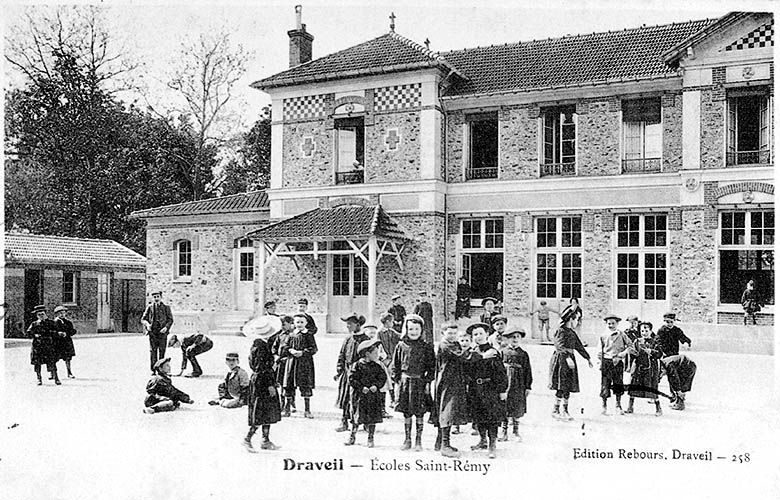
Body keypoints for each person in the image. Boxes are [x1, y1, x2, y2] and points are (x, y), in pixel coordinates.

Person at [433, 322, 496, 457]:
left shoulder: (454, 344)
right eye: (449, 333)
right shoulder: (445, 345)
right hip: (447, 382)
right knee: (447, 412)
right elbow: (462, 356)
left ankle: (442, 443)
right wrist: (483, 356)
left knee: (450, 411)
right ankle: (444, 446)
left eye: (454, 333)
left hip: (455, 382)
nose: (452, 336)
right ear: (442, 333)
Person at [391, 314, 436, 451]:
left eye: (416, 329)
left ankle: (418, 440)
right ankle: (407, 439)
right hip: (405, 382)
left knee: (419, 412)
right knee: (407, 412)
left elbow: (432, 367)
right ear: (406, 330)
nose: (414, 332)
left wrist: (427, 382)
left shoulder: (426, 347)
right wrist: (398, 381)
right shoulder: (401, 345)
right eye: (411, 329)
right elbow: (395, 366)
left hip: (420, 382)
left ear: (421, 330)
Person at [466, 322, 508, 459]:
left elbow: (501, 373)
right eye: (475, 334)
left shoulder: (493, 352)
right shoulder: (472, 352)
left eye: (480, 334)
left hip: (490, 389)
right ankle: (482, 440)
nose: (478, 336)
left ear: (487, 335)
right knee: (479, 416)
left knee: (491, 417)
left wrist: (502, 390)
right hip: (475, 389)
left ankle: (492, 445)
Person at [548, 307, 592, 420]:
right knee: (561, 385)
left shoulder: (572, 332)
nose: (577, 322)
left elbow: (579, 346)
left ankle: (565, 410)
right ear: (570, 320)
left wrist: (588, 358)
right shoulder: (560, 331)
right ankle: (556, 409)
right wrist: (567, 358)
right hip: (561, 361)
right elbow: (559, 346)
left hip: (570, 360)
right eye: (576, 319)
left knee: (568, 385)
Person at [345, 338, 388, 448]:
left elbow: (382, 378)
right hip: (359, 397)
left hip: (373, 396)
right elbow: (352, 379)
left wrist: (376, 386)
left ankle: (370, 437)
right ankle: (352, 435)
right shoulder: (357, 366)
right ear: (367, 354)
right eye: (375, 353)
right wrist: (361, 387)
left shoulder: (377, 366)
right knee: (356, 417)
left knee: (372, 417)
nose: (378, 355)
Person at [245, 331, 283, 452]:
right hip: (263, 383)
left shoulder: (257, 345)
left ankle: (265, 440)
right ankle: (247, 438)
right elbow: (262, 369)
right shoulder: (262, 348)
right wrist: (270, 385)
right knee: (260, 412)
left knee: (267, 412)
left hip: (259, 381)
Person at [334, 313, 369, 432]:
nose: (348, 326)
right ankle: (344, 421)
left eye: (350, 324)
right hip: (347, 374)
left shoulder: (366, 340)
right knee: (345, 398)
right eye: (347, 324)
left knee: (361, 399)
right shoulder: (347, 339)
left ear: (358, 325)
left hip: (360, 375)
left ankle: (364, 423)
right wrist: (339, 370)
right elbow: (341, 355)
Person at [279, 313, 318, 418]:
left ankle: (307, 410)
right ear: (294, 323)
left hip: (304, 364)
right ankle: (287, 409)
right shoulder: (291, 335)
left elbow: (314, 348)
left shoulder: (309, 335)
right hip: (292, 363)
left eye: (302, 322)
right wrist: (290, 350)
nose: (299, 324)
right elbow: (285, 346)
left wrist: (303, 352)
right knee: (289, 386)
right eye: (297, 322)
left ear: (306, 323)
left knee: (305, 386)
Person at [499, 330, 532, 442]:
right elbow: (498, 370)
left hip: (519, 384)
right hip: (506, 383)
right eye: (512, 337)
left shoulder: (523, 354)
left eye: (517, 337)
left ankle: (516, 431)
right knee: (505, 406)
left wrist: (528, 386)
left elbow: (528, 371)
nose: (515, 339)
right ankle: (504, 432)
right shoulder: (502, 352)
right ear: (507, 339)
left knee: (517, 406)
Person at [625, 322, 663, 416]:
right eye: (642, 331)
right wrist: (631, 357)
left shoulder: (654, 342)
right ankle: (630, 407)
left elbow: (660, 354)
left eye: (646, 330)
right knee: (634, 385)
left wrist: (652, 351)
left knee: (652, 387)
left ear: (650, 331)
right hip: (639, 368)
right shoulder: (637, 341)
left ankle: (658, 408)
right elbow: (633, 354)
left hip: (651, 369)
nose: (644, 332)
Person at [598, 314, 631, 415]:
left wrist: (622, 354)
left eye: (613, 323)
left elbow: (630, 346)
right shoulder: (603, 335)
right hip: (607, 362)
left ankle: (618, 405)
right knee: (605, 384)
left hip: (617, 362)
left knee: (618, 383)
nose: (611, 325)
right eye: (609, 323)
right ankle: (604, 406)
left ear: (617, 324)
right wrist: (600, 362)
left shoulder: (622, 334)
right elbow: (600, 351)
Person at [141, 291, 174, 375]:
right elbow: (143, 319)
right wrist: (147, 324)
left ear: (161, 297)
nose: (156, 298)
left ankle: (161, 369)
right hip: (153, 333)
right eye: (154, 297)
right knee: (153, 351)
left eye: (157, 296)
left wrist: (166, 327)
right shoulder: (150, 307)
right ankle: (153, 370)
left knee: (162, 351)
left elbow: (170, 320)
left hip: (162, 333)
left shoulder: (166, 308)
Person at [451, 330, 476, 436]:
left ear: (471, 341)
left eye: (467, 340)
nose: (464, 343)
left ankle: (474, 426)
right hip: (459, 381)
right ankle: (456, 425)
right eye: (462, 340)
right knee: (457, 403)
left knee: (473, 402)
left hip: (471, 382)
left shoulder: (474, 353)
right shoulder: (457, 353)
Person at [27, 305, 60, 386]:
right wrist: (35, 335)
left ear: (45, 314)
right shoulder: (34, 324)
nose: (41, 316)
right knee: (37, 362)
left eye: (42, 314)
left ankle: (56, 378)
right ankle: (39, 378)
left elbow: (56, 332)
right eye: (39, 315)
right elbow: (28, 332)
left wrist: (52, 334)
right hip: (38, 346)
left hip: (49, 345)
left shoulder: (51, 323)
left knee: (52, 362)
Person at [377, 312, 401, 411]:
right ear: (387, 322)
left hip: (392, 360)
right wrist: (383, 357)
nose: (393, 323)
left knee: (391, 381)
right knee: (384, 382)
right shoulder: (379, 333)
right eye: (391, 321)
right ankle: (382, 407)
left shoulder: (392, 332)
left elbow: (401, 337)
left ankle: (393, 401)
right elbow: (378, 346)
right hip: (384, 361)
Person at [272, 316, 295, 410]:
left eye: (284, 325)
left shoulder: (294, 335)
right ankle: (282, 403)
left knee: (289, 384)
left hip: (289, 363)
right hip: (280, 363)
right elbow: (274, 347)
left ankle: (289, 404)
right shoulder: (280, 335)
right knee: (281, 383)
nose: (282, 327)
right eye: (281, 325)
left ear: (290, 324)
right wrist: (275, 356)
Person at [52, 305, 77, 379]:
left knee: (68, 358)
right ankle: (53, 373)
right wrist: (58, 333)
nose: (62, 315)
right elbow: (52, 332)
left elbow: (72, 331)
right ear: (57, 314)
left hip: (66, 342)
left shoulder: (68, 322)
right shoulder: (54, 322)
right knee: (54, 358)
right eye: (60, 313)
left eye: (63, 313)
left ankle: (69, 372)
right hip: (57, 342)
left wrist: (68, 333)